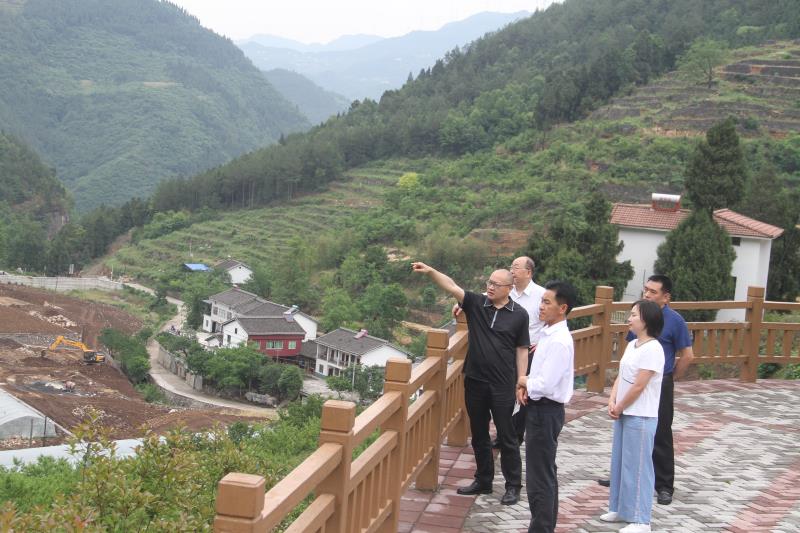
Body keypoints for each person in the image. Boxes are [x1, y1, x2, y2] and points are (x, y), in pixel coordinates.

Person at [412, 261, 529, 505]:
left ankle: (513, 486)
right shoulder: (477, 304)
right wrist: (431, 271)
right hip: (475, 380)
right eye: (489, 282)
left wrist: (521, 379)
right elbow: (452, 286)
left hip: (502, 384)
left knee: (507, 436)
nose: (491, 287)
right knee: (479, 433)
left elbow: (521, 349)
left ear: (509, 288)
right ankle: (483, 480)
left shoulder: (519, 315)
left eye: (496, 284)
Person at [598, 275, 694, 505]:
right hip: (633, 379)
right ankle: (621, 475)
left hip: (659, 382)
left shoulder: (675, 320)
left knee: (661, 431)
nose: (647, 295)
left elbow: (687, 355)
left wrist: (669, 377)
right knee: (627, 427)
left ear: (666, 297)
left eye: (653, 292)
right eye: (646, 290)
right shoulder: (639, 317)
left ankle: (664, 485)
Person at [454, 256, 545, 447]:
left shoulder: (540, 295)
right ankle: (501, 437)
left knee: (520, 395)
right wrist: (461, 303)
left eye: (516, 268)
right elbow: (480, 297)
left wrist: (543, 343)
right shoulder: (503, 291)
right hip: (501, 356)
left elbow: (554, 319)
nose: (512, 270)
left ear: (528, 272)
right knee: (500, 401)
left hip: (526, 353)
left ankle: (513, 436)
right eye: (511, 267)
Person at [600, 300, 665, 533]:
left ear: (646, 320)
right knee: (620, 462)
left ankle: (641, 519)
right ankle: (620, 508)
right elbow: (622, 375)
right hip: (624, 412)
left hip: (641, 415)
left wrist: (619, 406)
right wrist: (612, 399)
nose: (629, 319)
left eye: (634, 315)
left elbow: (639, 386)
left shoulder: (654, 349)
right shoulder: (632, 345)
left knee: (637, 467)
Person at [517, 280, 577, 533]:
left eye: (547, 302)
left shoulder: (559, 340)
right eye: (541, 301)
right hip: (540, 407)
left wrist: (523, 381)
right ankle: (544, 527)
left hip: (545, 410)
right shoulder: (548, 332)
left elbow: (545, 384)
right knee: (544, 472)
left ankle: (541, 528)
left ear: (562, 308)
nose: (541, 306)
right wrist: (527, 385)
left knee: (539, 476)